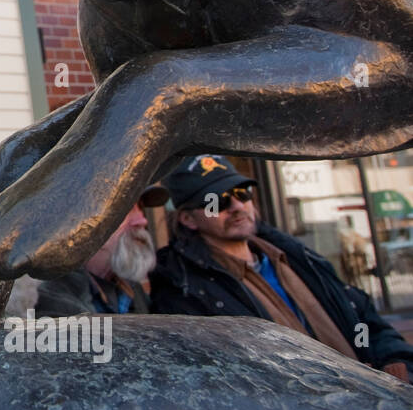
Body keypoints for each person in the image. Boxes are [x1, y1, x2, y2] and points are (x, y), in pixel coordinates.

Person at [152, 154, 413, 383]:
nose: (237, 207)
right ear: (188, 219)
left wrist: (397, 366)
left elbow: (364, 319)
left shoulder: (297, 257)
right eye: (218, 202)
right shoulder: (183, 289)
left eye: (243, 193)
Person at [17, 184, 169, 316]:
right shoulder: (52, 297)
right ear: (83, 221)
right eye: (125, 208)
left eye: (140, 207)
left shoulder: (130, 287)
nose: (142, 220)